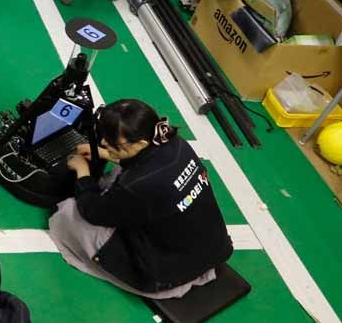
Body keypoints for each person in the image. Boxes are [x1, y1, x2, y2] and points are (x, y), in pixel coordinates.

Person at [47, 99, 233, 296]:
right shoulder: (178, 145)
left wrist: (82, 172)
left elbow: (93, 211)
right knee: (119, 176)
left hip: (164, 275)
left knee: (68, 214)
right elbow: (150, 170)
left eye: (112, 141)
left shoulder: (138, 186)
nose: (103, 142)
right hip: (214, 248)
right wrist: (109, 154)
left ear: (141, 143)